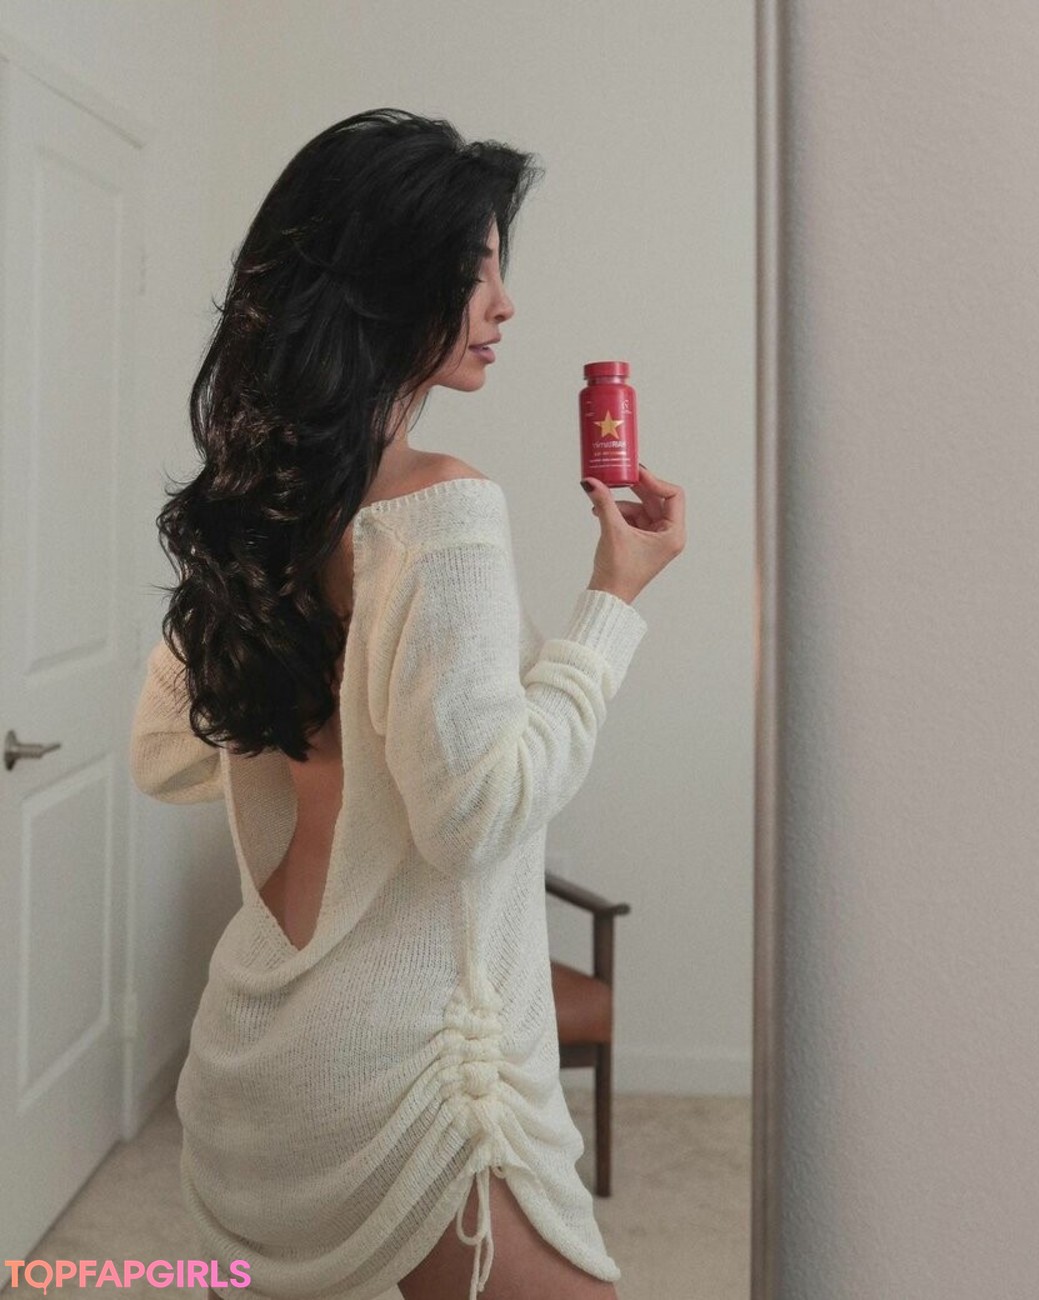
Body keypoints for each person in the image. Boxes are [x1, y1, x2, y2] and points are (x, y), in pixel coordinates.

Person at [129, 108, 685, 1300]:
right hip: (414, 1073)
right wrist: (612, 602)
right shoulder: (443, 508)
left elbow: (165, 754)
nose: (504, 304)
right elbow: (475, 813)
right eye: (476, 270)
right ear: (388, 281)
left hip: (260, 1043)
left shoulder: (257, 503)